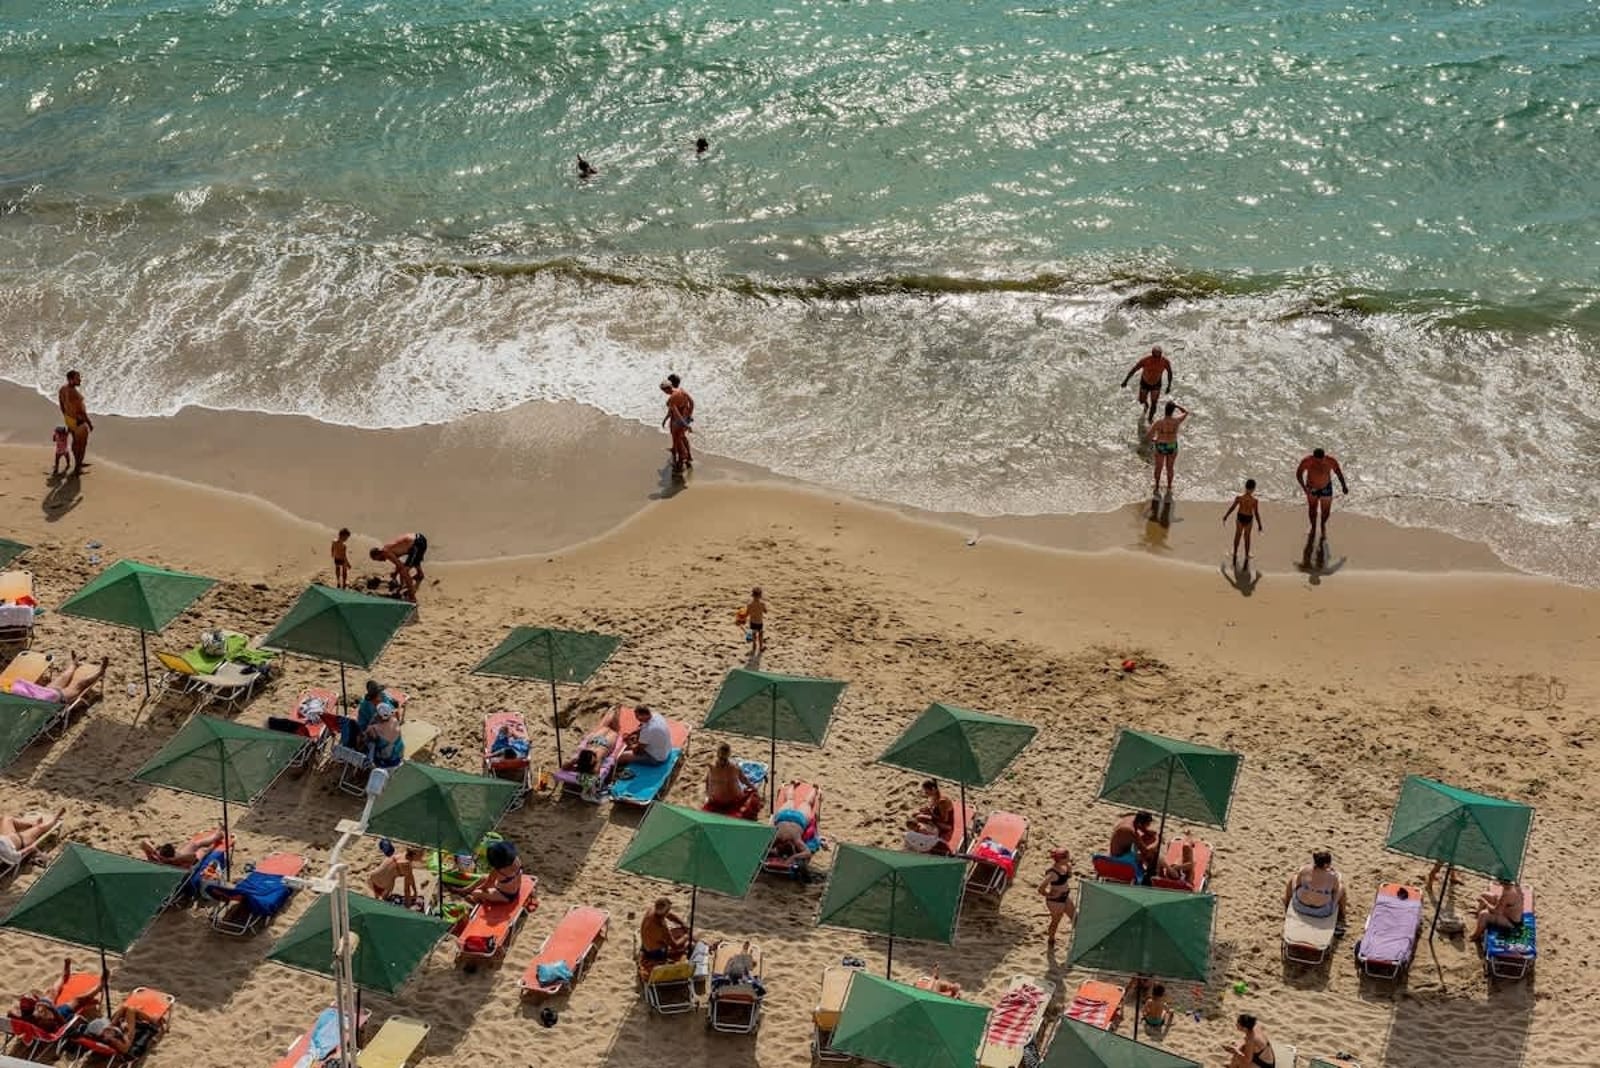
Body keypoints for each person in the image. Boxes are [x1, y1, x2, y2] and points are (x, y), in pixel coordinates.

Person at [9, 655, 107, 706]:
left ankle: (74, 664)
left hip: (44, 694)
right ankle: (100, 672)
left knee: (63, 678)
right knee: (79, 685)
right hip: (48, 699)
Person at [1295, 448, 1348, 541]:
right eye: (1316, 460)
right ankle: (1313, 527)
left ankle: (1323, 524)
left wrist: (1344, 486)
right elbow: (1299, 473)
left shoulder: (1330, 461)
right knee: (1312, 508)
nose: (1319, 462)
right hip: (1311, 488)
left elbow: (1339, 473)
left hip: (1326, 487)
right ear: (1313, 457)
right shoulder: (1307, 461)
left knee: (1326, 511)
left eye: (1321, 460)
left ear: (1324, 457)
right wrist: (1304, 488)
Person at [1283, 850, 1347, 928]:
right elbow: (1335, 891)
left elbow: (1298, 884)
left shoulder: (1305, 870)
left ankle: (1286, 902)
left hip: (1299, 906)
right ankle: (1342, 915)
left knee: (1293, 878)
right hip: (1322, 911)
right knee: (1341, 888)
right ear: (1326, 864)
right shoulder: (1332, 877)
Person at [80, 1001, 163, 1057]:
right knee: (132, 1010)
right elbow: (125, 1049)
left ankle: (144, 1016)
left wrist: (112, 1026)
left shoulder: (101, 1034)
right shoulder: (113, 1040)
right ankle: (152, 1020)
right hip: (127, 1038)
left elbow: (108, 1028)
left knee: (125, 1007)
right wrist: (124, 1031)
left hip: (113, 1030)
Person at [704, 743, 761, 819]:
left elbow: (708, 782)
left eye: (723, 759)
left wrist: (708, 794)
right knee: (751, 796)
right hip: (729, 800)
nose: (722, 761)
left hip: (725, 800)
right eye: (722, 759)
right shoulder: (732, 766)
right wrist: (753, 788)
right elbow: (744, 780)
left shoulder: (714, 767)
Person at [1145, 401, 1189, 497]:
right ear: (1173, 410)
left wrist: (1155, 440)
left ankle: (1156, 486)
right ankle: (1169, 487)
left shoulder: (1159, 422)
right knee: (1170, 468)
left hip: (1161, 445)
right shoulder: (1176, 421)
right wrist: (1177, 406)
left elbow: (1148, 436)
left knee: (1158, 467)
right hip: (1172, 446)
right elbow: (1186, 412)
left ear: (1165, 410)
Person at [464, 839, 526, 905]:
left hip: (506, 896)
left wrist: (478, 889)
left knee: (475, 893)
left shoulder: (497, 871)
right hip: (515, 890)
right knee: (484, 877)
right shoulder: (516, 860)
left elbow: (488, 885)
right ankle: (465, 890)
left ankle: (475, 900)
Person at [368, 533, 427, 601]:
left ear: (378, 554)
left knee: (404, 572)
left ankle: (412, 597)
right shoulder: (387, 548)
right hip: (419, 538)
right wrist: (395, 573)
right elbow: (398, 564)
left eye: (377, 559)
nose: (380, 561)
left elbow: (401, 567)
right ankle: (420, 574)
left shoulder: (386, 553)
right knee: (413, 559)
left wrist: (397, 577)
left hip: (417, 544)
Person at [1120, 346, 1172, 423]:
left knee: (1154, 403)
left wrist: (1169, 386)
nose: (1156, 359)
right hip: (1145, 382)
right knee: (1141, 400)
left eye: (1159, 356)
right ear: (1152, 354)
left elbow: (1170, 373)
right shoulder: (1145, 360)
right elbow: (1134, 369)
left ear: (1161, 355)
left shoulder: (1165, 362)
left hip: (1156, 383)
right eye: (1155, 356)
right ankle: (1146, 405)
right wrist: (1126, 380)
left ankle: (1150, 419)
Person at [769, 780, 821, 857]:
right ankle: (794, 785)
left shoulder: (795, 840)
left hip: (798, 819)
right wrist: (792, 857)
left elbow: (807, 853)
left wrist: (793, 857)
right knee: (791, 800)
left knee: (806, 803)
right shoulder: (777, 838)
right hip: (784, 816)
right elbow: (808, 853)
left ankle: (814, 789)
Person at [904, 779, 956, 854]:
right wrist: (925, 810)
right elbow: (932, 809)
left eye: (927, 791)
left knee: (919, 818)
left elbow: (944, 819)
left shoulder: (942, 802)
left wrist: (929, 813)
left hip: (946, 825)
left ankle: (925, 837)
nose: (925, 793)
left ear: (933, 789)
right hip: (937, 819)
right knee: (915, 815)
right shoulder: (934, 797)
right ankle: (920, 834)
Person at [1038, 847, 1076, 945]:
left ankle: (1076, 938)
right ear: (1061, 859)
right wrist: (1049, 894)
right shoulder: (1052, 873)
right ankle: (1051, 939)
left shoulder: (1064, 867)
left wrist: (1069, 868)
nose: (1069, 858)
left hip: (1065, 897)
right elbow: (1041, 888)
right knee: (1056, 921)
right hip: (1055, 901)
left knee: (1075, 917)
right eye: (1067, 857)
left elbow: (1069, 876)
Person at [57, 370, 92, 475]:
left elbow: (61, 405)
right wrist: (89, 424)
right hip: (79, 422)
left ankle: (78, 462)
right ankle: (78, 467)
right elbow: (81, 411)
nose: (80, 380)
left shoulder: (63, 389)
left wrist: (66, 416)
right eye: (78, 378)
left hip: (69, 420)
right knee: (82, 444)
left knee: (75, 442)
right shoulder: (75, 394)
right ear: (71, 380)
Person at [1222, 479, 1263, 563]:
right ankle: (1247, 555)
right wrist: (1259, 524)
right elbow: (1256, 513)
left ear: (1245, 487)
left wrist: (1226, 516)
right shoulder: (1254, 501)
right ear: (1253, 489)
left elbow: (1232, 508)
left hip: (1240, 518)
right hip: (1249, 519)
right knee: (1247, 537)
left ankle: (1235, 553)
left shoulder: (1239, 498)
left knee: (1237, 535)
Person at [138, 827, 226, 867]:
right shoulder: (157, 861)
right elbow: (193, 857)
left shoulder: (156, 858)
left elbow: (143, 843)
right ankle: (215, 842)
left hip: (181, 858)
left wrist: (154, 851)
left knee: (194, 844)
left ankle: (217, 836)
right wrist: (173, 860)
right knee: (203, 850)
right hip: (189, 865)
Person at [1108, 812, 1158, 880]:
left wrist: (1146, 831)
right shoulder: (1130, 831)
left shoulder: (1131, 819)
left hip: (1121, 851)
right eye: (1147, 825)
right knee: (1149, 854)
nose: (1147, 827)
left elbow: (1140, 828)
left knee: (1145, 844)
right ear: (1140, 823)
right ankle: (1147, 875)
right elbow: (1145, 851)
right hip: (1118, 857)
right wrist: (1158, 839)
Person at [639, 896, 690, 963]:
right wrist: (686, 936)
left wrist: (682, 923)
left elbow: (669, 915)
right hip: (655, 953)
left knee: (677, 932)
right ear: (664, 912)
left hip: (645, 946)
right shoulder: (661, 926)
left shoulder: (651, 910)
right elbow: (675, 945)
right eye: (668, 910)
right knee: (685, 946)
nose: (668, 911)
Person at [660, 374, 694, 470]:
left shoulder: (671, 399)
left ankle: (680, 463)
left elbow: (676, 413)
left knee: (678, 441)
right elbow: (691, 402)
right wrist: (689, 415)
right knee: (682, 438)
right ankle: (689, 456)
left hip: (678, 421)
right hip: (684, 417)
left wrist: (685, 424)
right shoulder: (682, 391)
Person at [745, 587, 767, 653]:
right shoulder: (762, 604)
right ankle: (761, 647)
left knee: (753, 634)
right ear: (760, 595)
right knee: (760, 634)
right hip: (759, 622)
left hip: (752, 622)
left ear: (753, 595)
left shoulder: (750, 604)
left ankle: (754, 646)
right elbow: (765, 611)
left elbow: (747, 613)